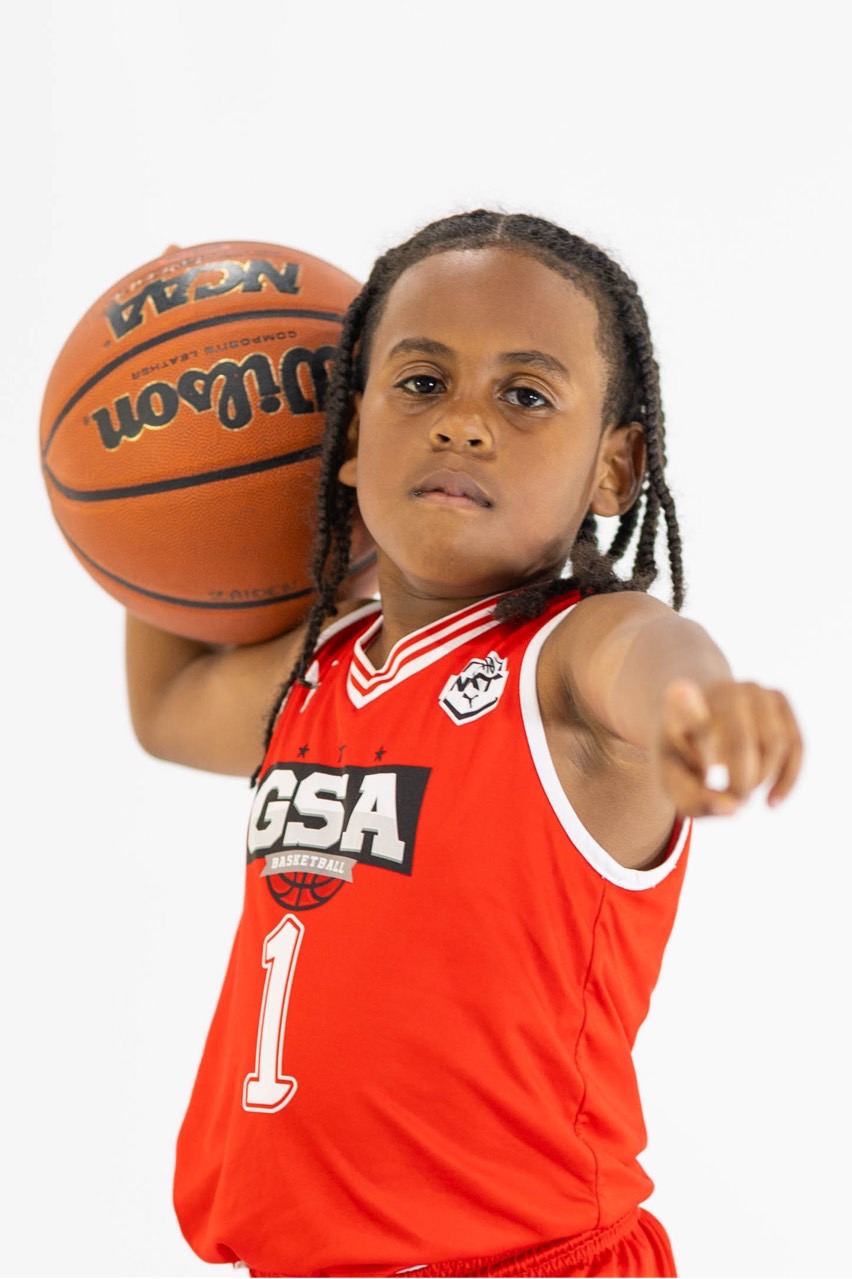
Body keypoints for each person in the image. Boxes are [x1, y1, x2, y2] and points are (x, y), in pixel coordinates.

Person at [126, 210, 803, 1278]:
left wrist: (701, 705)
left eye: (525, 394)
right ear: (352, 436)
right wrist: (171, 464)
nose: (464, 424)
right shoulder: (320, 668)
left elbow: (650, 655)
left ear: (616, 469)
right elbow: (168, 705)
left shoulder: (571, 659)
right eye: (421, 382)